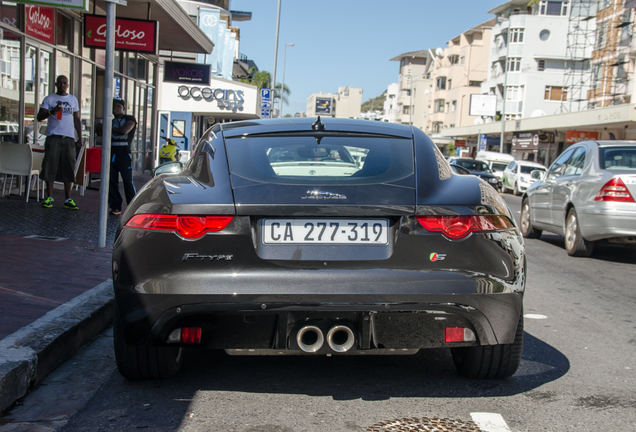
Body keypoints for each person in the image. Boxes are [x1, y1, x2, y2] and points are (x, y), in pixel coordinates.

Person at [37, 75, 82, 210]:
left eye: (65, 83)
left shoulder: (73, 100)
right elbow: (39, 117)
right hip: (54, 137)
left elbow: (77, 119)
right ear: (56, 84)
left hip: (68, 138)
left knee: (68, 167)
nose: (62, 85)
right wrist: (52, 111)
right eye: (60, 83)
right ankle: (49, 197)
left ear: (67, 85)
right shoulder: (49, 99)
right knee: (50, 166)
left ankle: (68, 199)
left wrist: (79, 137)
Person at [108, 97, 137, 215]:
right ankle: (115, 207)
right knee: (111, 181)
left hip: (124, 155)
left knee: (127, 182)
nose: (115, 108)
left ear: (123, 108)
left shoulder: (129, 119)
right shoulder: (109, 119)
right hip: (111, 154)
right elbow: (99, 130)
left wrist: (108, 129)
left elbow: (124, 130)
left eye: (118, 106)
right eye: (113, 106)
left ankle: (133, 208)